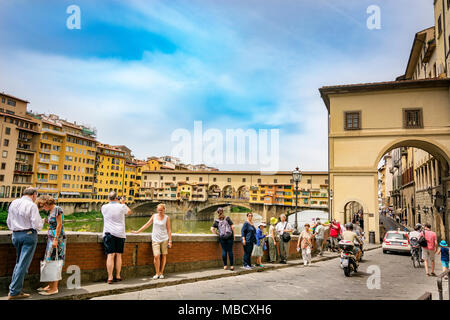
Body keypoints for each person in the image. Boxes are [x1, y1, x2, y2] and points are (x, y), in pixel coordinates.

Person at [6, 187, 44, 300]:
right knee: (23, 264)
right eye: (36, 196)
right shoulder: (32, 205)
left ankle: (14, 289)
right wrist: (41, 224)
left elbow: (9, 221)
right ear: (34, 195)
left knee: (19, 263)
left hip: (16, 235)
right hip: (28, 235)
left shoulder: (14, 203)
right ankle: (14, 292)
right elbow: (36, 224)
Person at [36, 195, 66, 296]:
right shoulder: (51, 211)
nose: (43, 208)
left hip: (56, 239)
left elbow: (59, 225)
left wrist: (56, 239)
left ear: (47, 203)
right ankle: (50, 285)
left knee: (55, 261)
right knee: (49, 260)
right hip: (51, 238)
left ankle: (54, 288)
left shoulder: (58, 209)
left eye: (43, 205)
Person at [133, 203, 172, 279]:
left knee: (164, 255)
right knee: (156, 255)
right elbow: (147, 225)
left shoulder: (167, 218)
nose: (160, 211)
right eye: (158, 210)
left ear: (164, 210)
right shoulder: (154, 216)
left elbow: (169, 229)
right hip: (155, 239)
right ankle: (157, 273)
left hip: (164, 238)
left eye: (161, 210)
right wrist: (137, 231)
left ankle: (161, 272)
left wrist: (170, 241)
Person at [101, 191, 132, 284]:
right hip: (120, 233)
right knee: (118, 255)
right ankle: (118, 276)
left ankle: (110, 277)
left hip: (108, 233)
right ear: (116, 198)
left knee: (110, 255)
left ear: (108, 198)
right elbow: (129, 212)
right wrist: (123, 203)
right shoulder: (121, 206)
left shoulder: (104, 207)